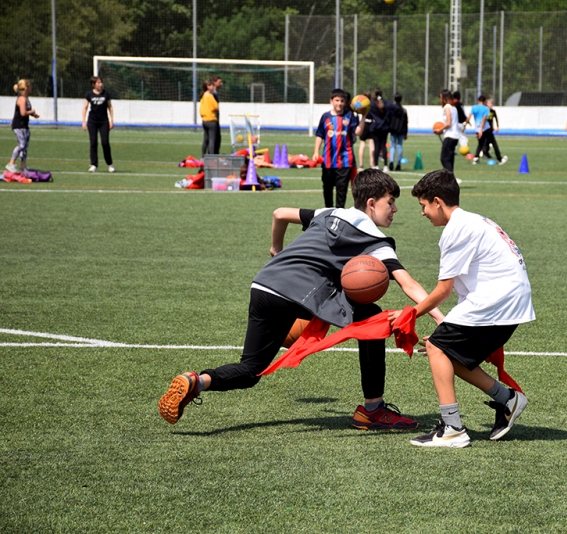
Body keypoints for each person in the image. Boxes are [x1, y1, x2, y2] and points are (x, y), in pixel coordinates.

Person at [158, 169, 445, 429]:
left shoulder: (329, 213)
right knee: (373, 317)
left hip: (264, 285)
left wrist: (276, 249)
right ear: (371, 203)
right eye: (390, 202)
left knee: (250, 371)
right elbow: (409, 284)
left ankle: (196, 381)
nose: (394, 209)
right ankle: (373, 409)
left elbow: (280, 213)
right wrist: (440, 317)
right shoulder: (374, 239)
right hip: (295, 296)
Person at [398, 169, 535, 448]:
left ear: (437, 201)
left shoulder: (457, 229)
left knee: (438, 349)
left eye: (423, 206)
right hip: (507, 298)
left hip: (499, 300)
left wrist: (409, 315)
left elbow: (443, 290)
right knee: (447, 354)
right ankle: (507, 399)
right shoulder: (473, 221)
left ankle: (453, 429)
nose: (422, 213)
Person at [312, 88, 365, 208]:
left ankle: (339, 214)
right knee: (327, 188)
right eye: (337, 100)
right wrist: (316, 152)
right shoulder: (325, 117)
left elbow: (357, 132)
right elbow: (320, 135)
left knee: (342, 190)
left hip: (345, 160)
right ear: (331, 101)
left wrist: (364, 116)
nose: (339, 103)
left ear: (345, 102)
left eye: (342, 101)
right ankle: (328, 211)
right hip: (328, 160)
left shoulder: (349, 116)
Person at [81, 76, 115, 173]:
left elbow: (110, 107)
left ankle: (110, 164)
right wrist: (84, 122)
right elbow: (85, 108)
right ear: (93, 84)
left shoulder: (106, 94)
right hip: (92, 121)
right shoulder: (89, 94)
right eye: (98, 83)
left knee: (105, 142)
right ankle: (93, 164)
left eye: (101, 82)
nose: (101, 84)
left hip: (104, 121)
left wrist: (111, 120)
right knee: (93, 142)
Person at [6, 79, 39, 174]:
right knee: (21, 145)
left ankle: (23, 165)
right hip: (19, 125)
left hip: (24, 125)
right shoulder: (22, 99)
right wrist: (31, 112)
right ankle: (11, 163)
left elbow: (25, 111)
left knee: (25, 146)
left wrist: (33, 115)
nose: (31, 88)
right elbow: (23, 112)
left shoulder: (26, 98)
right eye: (30, 86)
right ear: (27, 88)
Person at [434, 90, 460, 172]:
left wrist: (439, 130)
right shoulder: (454, 108)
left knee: (444, 159)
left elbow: (448, 123)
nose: (440, 100)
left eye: (441, 98)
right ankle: (451, 179)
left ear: (445, 98)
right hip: (455, 136)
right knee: (450, 159)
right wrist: (442, 130)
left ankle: (450, 178)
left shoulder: (447, 107)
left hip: (450, 136)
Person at [479, 97, 508, 165]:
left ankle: (484, 154)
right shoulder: (485, 111)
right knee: (487, 142)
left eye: (492, 103)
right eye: (490, 103)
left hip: (489, 129)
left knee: (489, 142)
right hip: (485, 129)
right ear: (486, 104)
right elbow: (483, 120)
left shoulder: (493, 112)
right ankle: (485, 154)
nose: (491, 105)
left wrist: (496, 127)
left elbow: (494, 119)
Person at [369, 88, 390, 172]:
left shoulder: (372, 103)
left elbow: (368, 113)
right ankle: (385, 165)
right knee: (383, 146)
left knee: (376, 146)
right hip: (384, 127)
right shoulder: (385, 102)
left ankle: (376, 165)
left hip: (375, 127)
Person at [466, 95, 491, 164]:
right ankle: (483, 154)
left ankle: (477, 157)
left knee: (480, 143)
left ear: (478, 101)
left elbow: (468, 117)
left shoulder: (474, 108)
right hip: (484, 127)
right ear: (484, 101)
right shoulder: (486, 108)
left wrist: (465, 125)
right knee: (486, 142)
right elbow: (484, 119)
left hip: (477, 127)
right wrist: (481, 130)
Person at [388, 93, 408, 171]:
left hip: (393, 129)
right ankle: (399, 164)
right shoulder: (403, 110)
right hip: (401, 130)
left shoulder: (392, 109)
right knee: (399, 146)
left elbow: (389, 119)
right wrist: (406, 132)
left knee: (393, 146)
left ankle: (391, 161)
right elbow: (406, 122)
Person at [199, 79, 219, 157]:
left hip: (204, 120)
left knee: (205, 140)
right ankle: (211, 157)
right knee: (212, 140)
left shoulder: (203, 95)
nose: (213, 86)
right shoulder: (210, 96)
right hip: (211, 120)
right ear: (207, 86)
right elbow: (216, 107)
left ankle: (203, 156)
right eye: (211, 85)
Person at [357, 90, 374, 170]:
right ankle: (372, 164)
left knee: (362, 143)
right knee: (371, 144)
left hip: (364, 125)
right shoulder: (371, 104)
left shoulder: (361, 105)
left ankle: (361, 164)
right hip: (371, 125)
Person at [210, 75, 223, 154]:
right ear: (214, 83)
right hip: (212, 120)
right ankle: (212, 155)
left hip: (215, 119)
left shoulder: (214, 93)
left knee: (217, 138)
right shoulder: (212, 94)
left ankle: (214, 154)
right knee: (214, 139)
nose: (221, 84)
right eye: (219, 82)